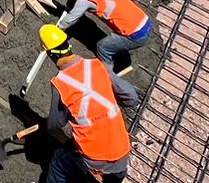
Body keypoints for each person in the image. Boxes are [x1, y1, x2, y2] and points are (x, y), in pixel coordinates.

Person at [38, 24, 138, 183]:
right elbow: (131, 98)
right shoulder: (97, 65)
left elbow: (55, 124)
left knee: (59, 161)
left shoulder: (60, 83)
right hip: (121, 155)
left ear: (51, 55)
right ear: (68, 45)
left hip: (94, 158)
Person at [60, 0, 152, 70]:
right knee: (115, 35)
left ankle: (107, 72)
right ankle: (119, 53)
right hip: (145, 21)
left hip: (136, 34)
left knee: (102, 47)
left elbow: (70, 19)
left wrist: (59, 29)